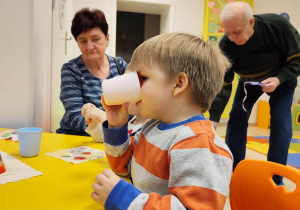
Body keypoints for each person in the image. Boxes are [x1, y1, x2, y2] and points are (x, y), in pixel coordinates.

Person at [91, 32, 233, 209]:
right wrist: (117, 127)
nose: (133, 86)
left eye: (142, 78)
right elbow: (124, 168)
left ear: (178, 84)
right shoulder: (152, 127)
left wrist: (123, 198)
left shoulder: (199, 144)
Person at [209, 2, 300, 185]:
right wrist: (213, 118)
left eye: (236, 32)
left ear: (251, 22)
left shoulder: (278, 26)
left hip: (282, 81)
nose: (232, 38)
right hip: (248, 82)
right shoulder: (226, 44)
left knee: (280, 123)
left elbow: (297, 60)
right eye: (227, 32)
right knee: (236, 118)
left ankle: (275, 178)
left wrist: (279, 79)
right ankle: (235, 171)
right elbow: (224, 83)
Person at [56, 8, 127, 136]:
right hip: (77, 138)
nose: (89, 46)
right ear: (77, 43)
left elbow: (133, 107)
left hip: (113, 136)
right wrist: (104, 124)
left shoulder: (120, 66)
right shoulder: (71, 69)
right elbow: (74, 116)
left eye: (95, 39)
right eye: (83, 41)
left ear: (107, 39)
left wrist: (104, 119)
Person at [82, 100, 147, 142]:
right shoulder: (130, 119)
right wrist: (93, 120)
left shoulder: (149, 129)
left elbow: (125, 149)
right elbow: (101, 138)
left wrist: (107, 120)